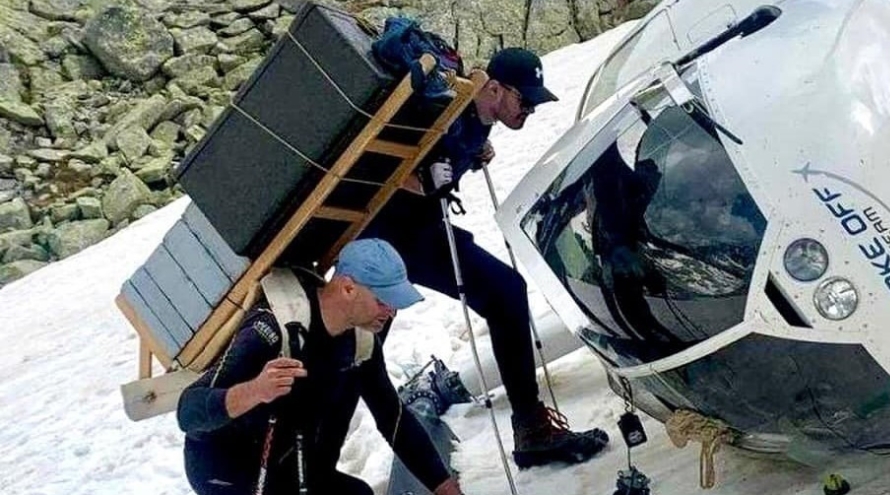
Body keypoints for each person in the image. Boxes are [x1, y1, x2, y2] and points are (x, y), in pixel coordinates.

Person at [361, 47, 610, 468]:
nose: (529, 109)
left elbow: (450, 155)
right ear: (493, 87)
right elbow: (378, 160)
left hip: (423, 232)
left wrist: (470, 158)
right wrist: (420, 180)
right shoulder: (442, 107)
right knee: (359, 353)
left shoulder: (478, 120)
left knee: (505, 291)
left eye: (533, 102)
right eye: (524, 100)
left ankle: (531, 430)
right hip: (385, 239)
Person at [176, 238, 462, 495]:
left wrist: (445, 487)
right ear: (348, 287)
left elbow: (393, 417)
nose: (391, 313)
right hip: (226, 473)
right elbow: (188, 411)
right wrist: (254, 391)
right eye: (383, 302)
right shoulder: (273, 328)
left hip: (289, 465)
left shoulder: (361, 341)